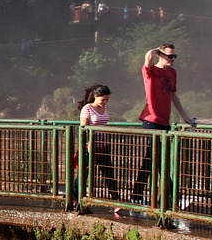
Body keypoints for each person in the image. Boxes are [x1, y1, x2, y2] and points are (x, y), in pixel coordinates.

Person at [130, 44, 196, 204]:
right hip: (151, 120)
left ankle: (140, 196)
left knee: (152, 159)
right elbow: (147, 57)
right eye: (169, 56)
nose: (172, 59)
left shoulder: (173, 73)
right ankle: (169, 197)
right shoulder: (151, 71)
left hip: (164, 121)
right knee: (159, 159)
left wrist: (185, 116)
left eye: (174, 56)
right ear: (160, 55)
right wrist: (155, 50)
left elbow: (174, 96)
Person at [78, 84, 123, 216]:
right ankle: (76, 199)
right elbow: (83, 128)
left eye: (107, 100)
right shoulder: (87, 108)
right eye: (103, 99)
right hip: (90, 147)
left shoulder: (104, 108)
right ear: (95, 96)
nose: (105, 102)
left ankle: (116, 201)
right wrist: (89, 142)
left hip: (103, 146)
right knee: (84, 174)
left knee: (109, 173)